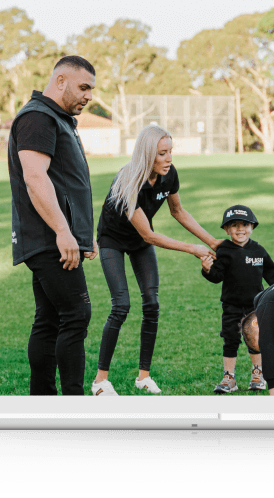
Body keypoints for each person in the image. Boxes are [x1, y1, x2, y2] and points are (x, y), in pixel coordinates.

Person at [90, 124, 220, 396]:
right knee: (121, 306)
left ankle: (143, 377)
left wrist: (212, 242)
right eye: (162, 153)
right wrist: (193, 249)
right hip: (113, 239)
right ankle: (100, 381)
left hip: (139, 242)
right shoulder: (128, 181)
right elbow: (149, 235)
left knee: (151, 304)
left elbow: (178, 211)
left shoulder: (168, 174)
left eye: (170, 151)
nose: (169, 158)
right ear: (147, 154)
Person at [7, 55, 99, 396]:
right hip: (49, 238)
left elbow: (66, 182)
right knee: (76, 313)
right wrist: (63, 231)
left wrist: (82, 233)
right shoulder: (38, 117)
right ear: (60, 81)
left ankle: (41, 402)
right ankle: (72, 404)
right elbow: (35, 177)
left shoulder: (58, 119)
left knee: (49, 319)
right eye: (83, 87)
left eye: (91, 89)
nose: (89, 96)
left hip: (55, 237)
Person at [200, 205, 274, 394]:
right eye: (234, 225)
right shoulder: (224, 250)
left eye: (245, 224)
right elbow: (216, 276)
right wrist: (207, 269)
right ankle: (229, 377)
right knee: (230, 339)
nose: (240, 229)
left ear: (252, 227)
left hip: (255, 306)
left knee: (255, 339)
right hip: (231, 306)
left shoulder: (258, 250)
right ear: (226, 229)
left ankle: (257, 374)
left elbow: (272, 274)